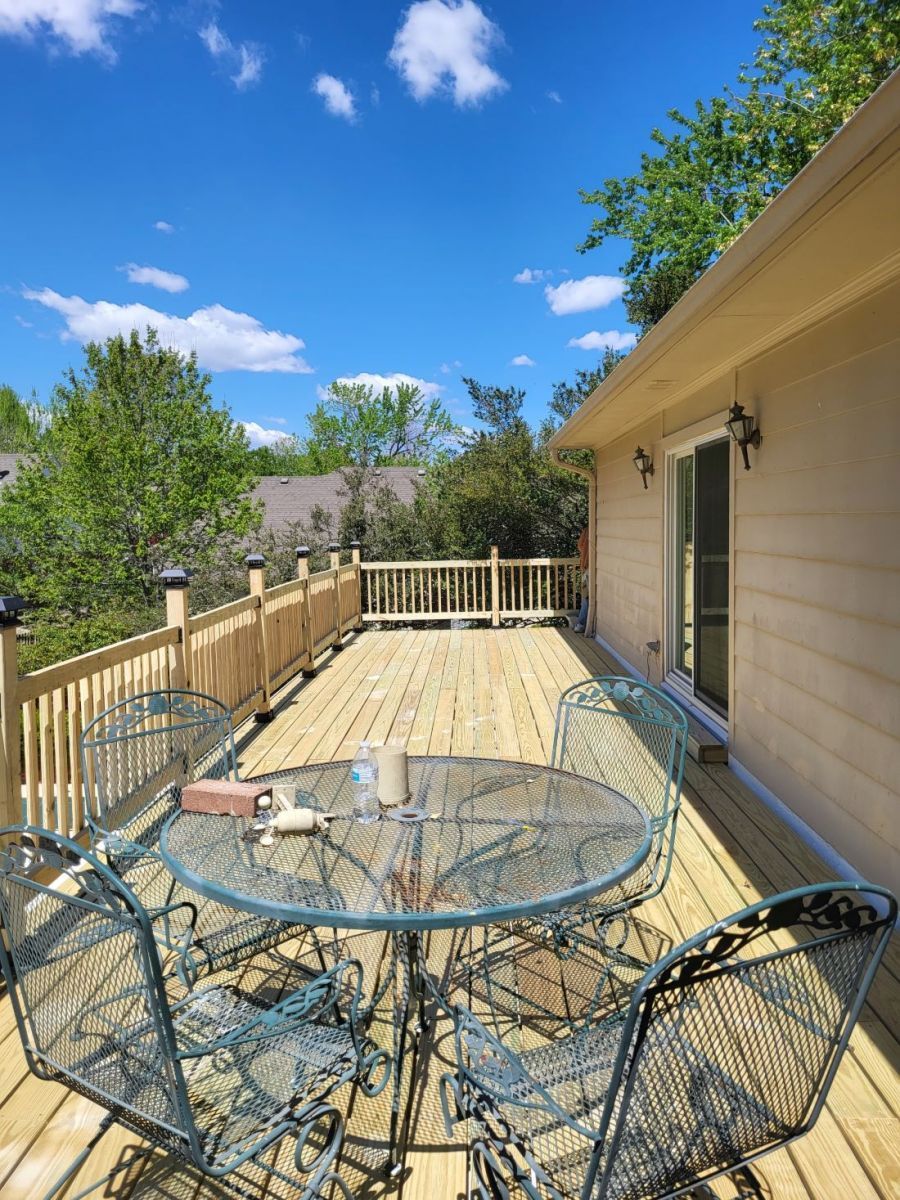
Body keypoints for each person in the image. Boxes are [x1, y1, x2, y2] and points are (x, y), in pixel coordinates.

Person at [575, 526, 589, 633]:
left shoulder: (587, 530)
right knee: (586, 597)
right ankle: (581, 623)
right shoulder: (588, 529)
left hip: (586, 567)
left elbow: (580, 545)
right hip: (588, 568)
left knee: (585, 597)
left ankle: (581, 624)